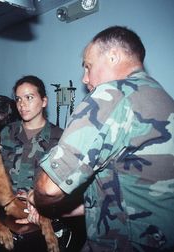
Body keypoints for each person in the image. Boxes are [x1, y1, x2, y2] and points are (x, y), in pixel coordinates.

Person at [29, 26, 174, 251]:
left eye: (88, 66)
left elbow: (49, 188)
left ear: (113, 57)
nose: (85, 78)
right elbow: (122, 195)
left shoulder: (111, 96)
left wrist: (36, 198)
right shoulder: (163, 99)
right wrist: (57, 209)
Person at [0, 75, 83, 250]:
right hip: (7, 217)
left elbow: (69, 190)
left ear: (44, 101)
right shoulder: (7, 132)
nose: (22, 104)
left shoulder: (60, 138)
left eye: (29, 97)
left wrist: (44, 210)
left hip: (46, 221)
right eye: (18, 99)